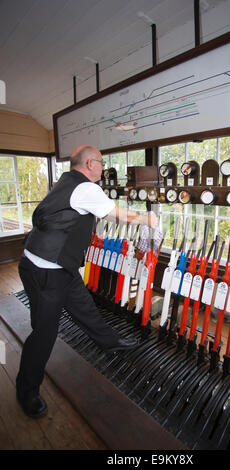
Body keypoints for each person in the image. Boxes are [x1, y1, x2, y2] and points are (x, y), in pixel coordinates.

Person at [16, 145, 158, 419]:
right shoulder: (86, 188)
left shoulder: (66, 182)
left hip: (51, 265)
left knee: (84, 307)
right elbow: (115, 213)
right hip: (46, 271)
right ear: (90, 163)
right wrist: (146, 218)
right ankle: (26, 390)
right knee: (44, 333)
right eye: (102, 163)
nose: (104, 167)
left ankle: (110, 342)